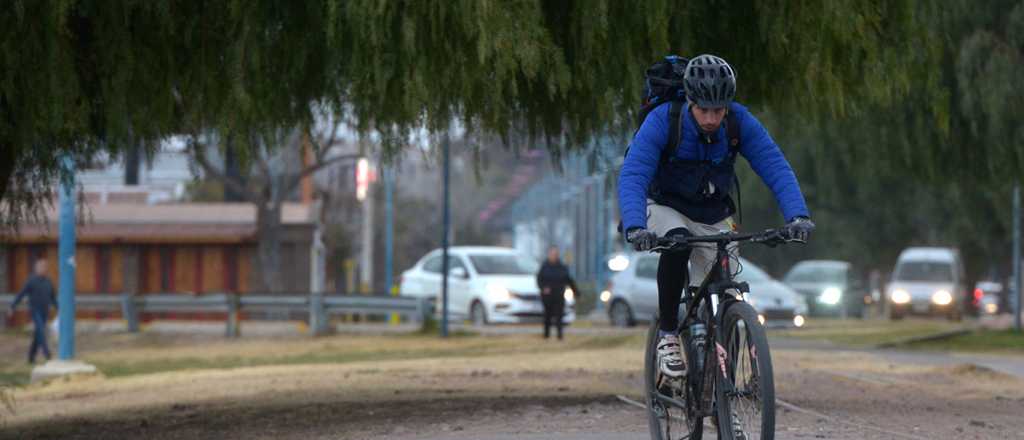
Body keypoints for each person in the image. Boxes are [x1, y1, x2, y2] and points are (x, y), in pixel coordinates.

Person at [618, 54, 815, 378]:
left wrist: (797, 216)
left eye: (718, 110)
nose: (711, 118)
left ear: (728, 106)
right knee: (677, 242)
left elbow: (775, 166)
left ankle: (725, 391)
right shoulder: (663, 120)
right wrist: (636, 225)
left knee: (725, 296)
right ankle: (668, 335)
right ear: (690, 101)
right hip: (662, 205)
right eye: (704, 110)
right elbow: (634, 174)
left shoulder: (739, 121)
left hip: (712, 212)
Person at [9, 258, 59, 364]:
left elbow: (53, 298)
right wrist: (12, 306)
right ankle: (47, 354)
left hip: (45, 311)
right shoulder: (31, 280)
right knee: (41, 330)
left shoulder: (48, 281)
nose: (43, 269)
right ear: (36, 269)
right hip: (35, 310)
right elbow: (21, 294)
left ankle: (31, 357)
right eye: (40, 267)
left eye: (45, 267)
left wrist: (59, 309)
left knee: (38, 335)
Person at [536, 246, 578, 340]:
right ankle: (546, 335)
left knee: (559, 316)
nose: (554, 256)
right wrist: (543, 288)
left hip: (559, 295)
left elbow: (568, 280)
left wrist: (576, 292)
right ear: (549, 254)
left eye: (555, 254)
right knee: (547, 316)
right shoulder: (544, 267)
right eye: (552, 254)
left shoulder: (562, 267)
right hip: (547, 296)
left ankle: (560, 335)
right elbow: (539, 280)